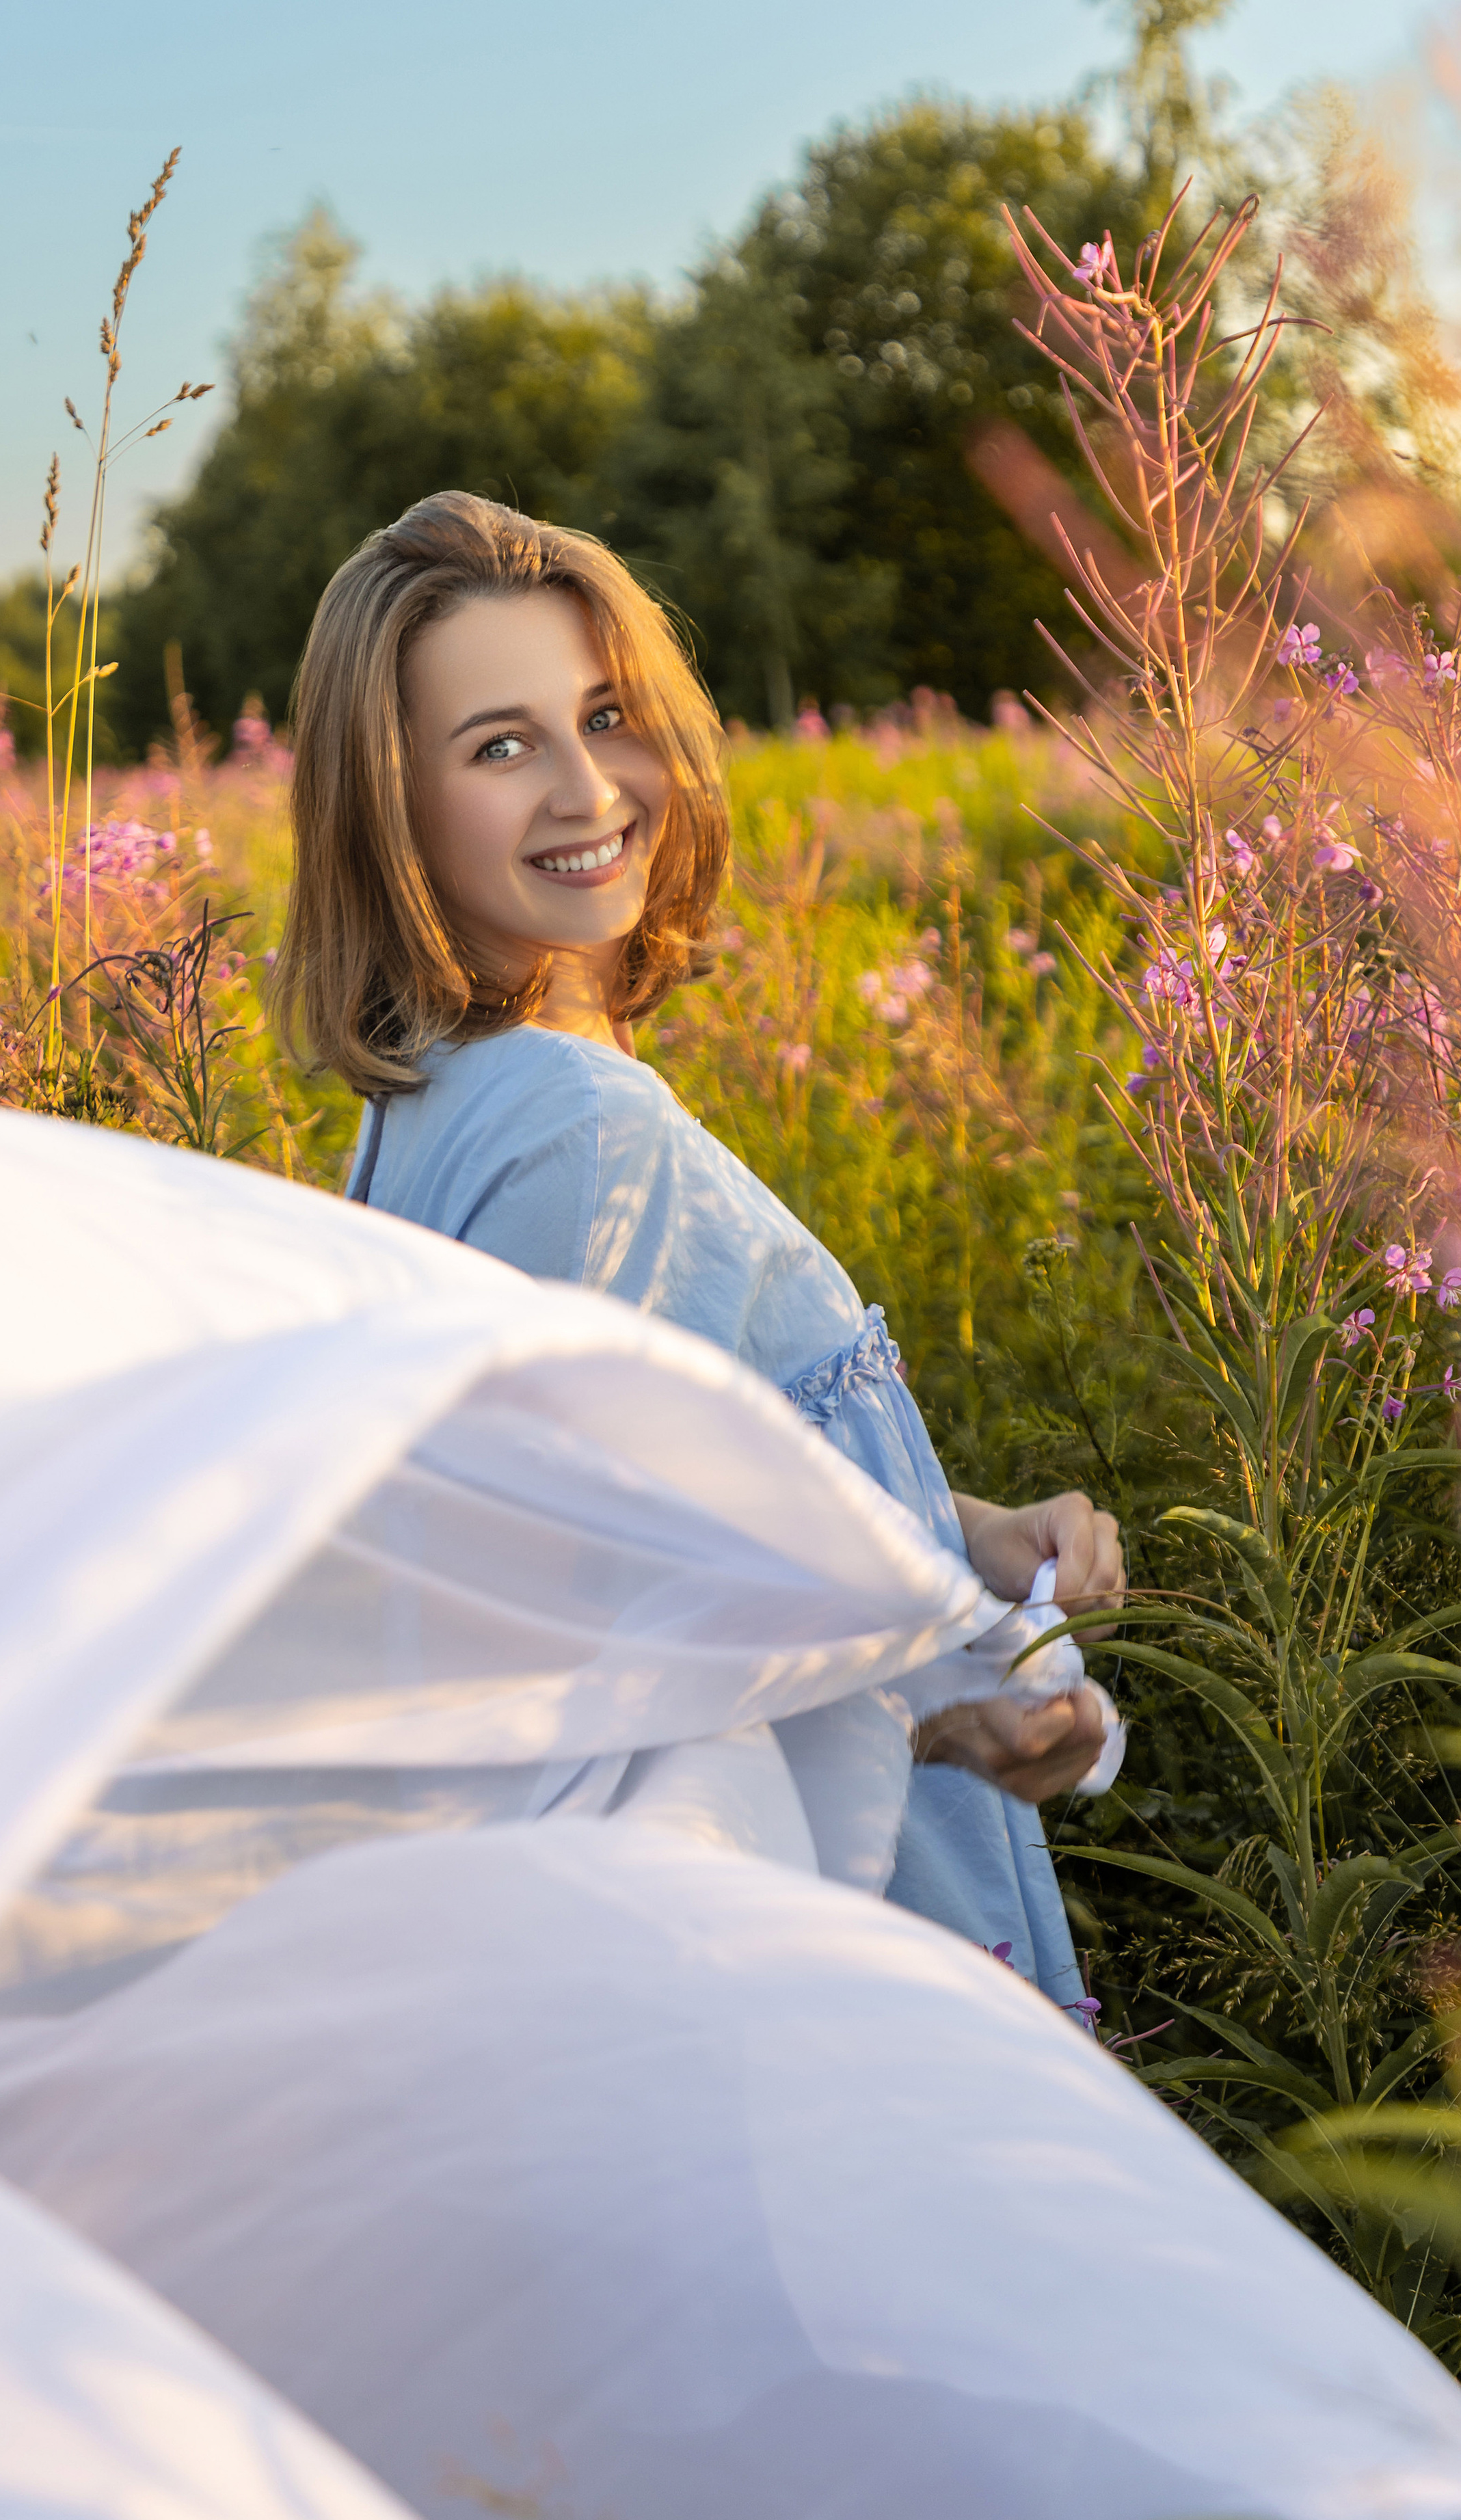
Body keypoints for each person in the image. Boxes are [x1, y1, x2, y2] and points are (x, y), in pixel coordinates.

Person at [273, 491, 1123, 2011]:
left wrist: (952, 1526)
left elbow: (671, 1477)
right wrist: (943, 1714)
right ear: (388, 807)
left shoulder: (433, 1100)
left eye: (604, 714)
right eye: (498, 744)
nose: (586, 786)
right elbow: (576, 1636)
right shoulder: (579, 1125)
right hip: (841, 1925)